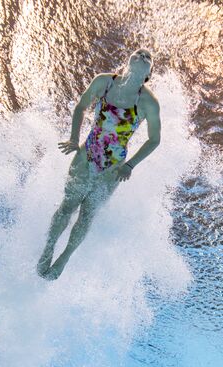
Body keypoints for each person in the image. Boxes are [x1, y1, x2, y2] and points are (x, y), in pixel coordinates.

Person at [37, 48, 161, 280]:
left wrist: (131, 165)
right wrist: (74, 138)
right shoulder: (104, 82)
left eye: (148, 57)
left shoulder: (148, 102)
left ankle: (64, 257)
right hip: (85, 157)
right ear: (127, 61)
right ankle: (48, 248)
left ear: (148, 74)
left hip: (113, 169)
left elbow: (155, 140)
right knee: (67, 206)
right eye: (138, 53)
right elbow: (81, 107)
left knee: (87, 214)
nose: (143, 55)